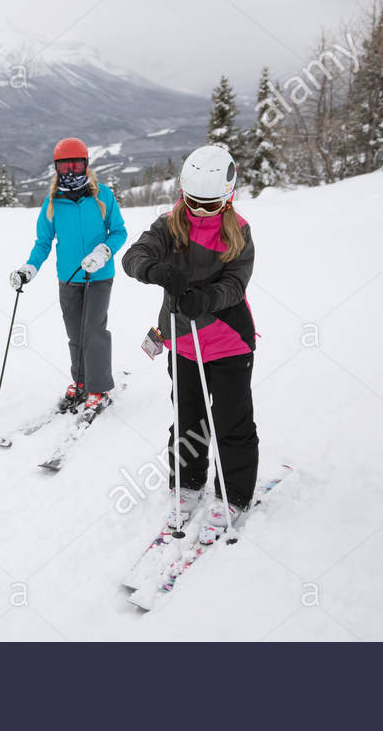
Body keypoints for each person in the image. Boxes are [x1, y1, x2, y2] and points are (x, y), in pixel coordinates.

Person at [122, 145, 258, 542]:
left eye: (209, 204)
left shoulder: (240, 232)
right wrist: (155, 269)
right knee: (188, 420)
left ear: (229, 196)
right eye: (192, 202)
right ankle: (188, 482)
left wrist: (206, 299)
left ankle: (234, 495)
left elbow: (235, 284)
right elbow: (134, 255)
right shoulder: (168, 225)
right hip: (182, 342)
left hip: (229, 342)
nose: (198, 211)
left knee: (232, 422)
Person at [10, 137, 128, 415]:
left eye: (76, 165)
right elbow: (43, 242)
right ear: (56, 168)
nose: (71, 171)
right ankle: (81, 381)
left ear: (86, 165)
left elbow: (119, 231)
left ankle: (98, 388)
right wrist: (30, 268)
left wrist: (103, 252)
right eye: (65, 166)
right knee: (75, 334)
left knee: (94, 331)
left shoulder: (103, 196)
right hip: (68, 278)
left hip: (99, 276)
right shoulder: (53, 203)